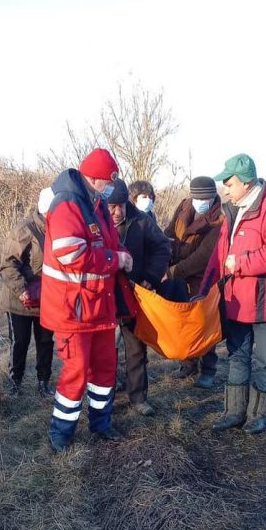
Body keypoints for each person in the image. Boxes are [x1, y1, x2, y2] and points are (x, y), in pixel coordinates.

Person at [40, 148, 133, 452]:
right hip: (74, 311)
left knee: (105, 369)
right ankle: (61, 434)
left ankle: (101, 423)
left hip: (99, 307)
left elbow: (109, 243)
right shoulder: (68, 204)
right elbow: (71, 254)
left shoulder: (97, 204)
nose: (109, 188)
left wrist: (121, 255)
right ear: (93, 179)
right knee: (76, 373)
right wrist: (114, 259)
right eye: (106, 182)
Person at [200, 153, 266, 434]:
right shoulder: (232, 211)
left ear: (245, 182)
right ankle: (233, 412)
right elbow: (219, 256)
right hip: (238, 302)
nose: (225, 189)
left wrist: (242, 262)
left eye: (228, 183)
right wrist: (206, 287)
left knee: (265, 359)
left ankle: (259, 415)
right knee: (237, 356)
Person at [107, 178, 171, 415]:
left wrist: (151, 276)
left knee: (136, 349)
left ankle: (138, 399)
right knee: (106, 353)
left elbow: (163, 247)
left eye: (120, 206)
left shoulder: (143, 222)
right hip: (105, 298)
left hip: (135, 297)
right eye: (111, 206)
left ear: (127, 202)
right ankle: (105, 400)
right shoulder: (97, 222)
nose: (116, 211)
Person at [164, 176, 223, 389]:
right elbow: (170, 232)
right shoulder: (184, 206)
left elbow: (203, 257)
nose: (200, 201)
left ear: (213, 196)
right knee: (183, 321)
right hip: (179, 276)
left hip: (203, 279)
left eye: (205, 198)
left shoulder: (219, 220)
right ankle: (188, 363)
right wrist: (166, 248)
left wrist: (174, 271)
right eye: (197, 197)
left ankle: (208, 368)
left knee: (204, 324)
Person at [0, 187, 55, 397]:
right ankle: (15, 383)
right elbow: (7, 264)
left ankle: (43, 383)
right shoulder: (24, 229)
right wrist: (22, 289)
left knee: (45, 342)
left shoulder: (60, 230)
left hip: (47, 300)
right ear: (45, 209)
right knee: (20, 342)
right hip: (19, 301)